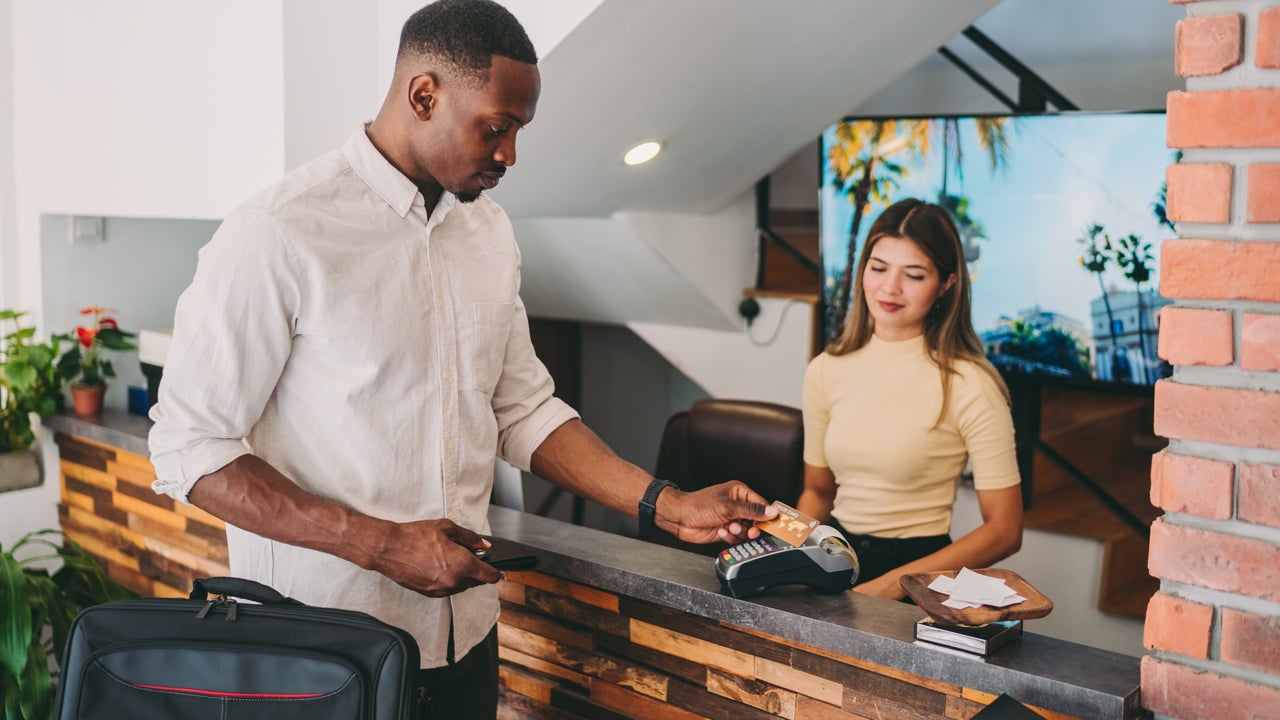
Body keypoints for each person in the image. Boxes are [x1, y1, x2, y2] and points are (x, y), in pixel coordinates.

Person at [147, 1, 776, 716]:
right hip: (318, 653)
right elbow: (190, 447)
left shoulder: (488, 232)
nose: (510, 154)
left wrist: (664, 504)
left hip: (463, 642)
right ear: (424, 95)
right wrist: (383, 545)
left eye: (517, 131)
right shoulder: (278, 231)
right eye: (497, 127)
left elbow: (523, 410)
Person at [797, 198, 1023, 601]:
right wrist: (782, 548)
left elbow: (1005, 530)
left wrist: (889, 588)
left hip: (920, 576)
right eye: (878, 268)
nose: (889, 288)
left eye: (914, 275)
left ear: (946, 284)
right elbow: (818, 492)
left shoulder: (971, 383)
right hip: (833, 561)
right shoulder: (825, 370)